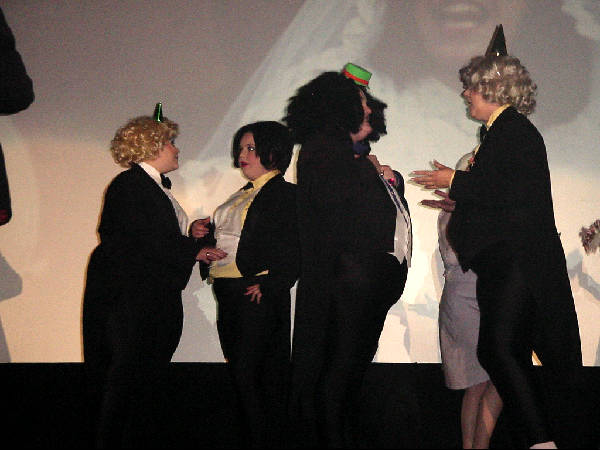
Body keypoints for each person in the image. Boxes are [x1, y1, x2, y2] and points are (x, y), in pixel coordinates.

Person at [411, 32, 582, 448]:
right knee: (502, 350)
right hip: (510, 264)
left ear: (492, 88)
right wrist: (461, 200)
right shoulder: (502, 133)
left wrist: (455, 180)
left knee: (500, 350)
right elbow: (505, 197)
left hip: (516, 265)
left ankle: (543, 440)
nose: (465, 94)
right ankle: (544, 439)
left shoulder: (512, 131)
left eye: (471, 87)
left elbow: (504, 190)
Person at [284, 68, 411, 447]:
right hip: (345, 287)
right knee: (338, 376)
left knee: (347, 375)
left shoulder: (345, 156)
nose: (368, 109)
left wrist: (385, 177)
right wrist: (369, 171)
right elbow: (344, 218)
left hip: (358, 287)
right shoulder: (325, 150)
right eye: (360, 103)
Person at [82, 106, 219, 447]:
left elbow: (153, 239)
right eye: (170, 142)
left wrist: (191, 237)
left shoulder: (147, 188)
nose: (176, 148)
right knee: (124, 385)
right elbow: (142, 241)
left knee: (134, 387)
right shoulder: (131, 185)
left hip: (143, 305)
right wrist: (193, 250)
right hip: (131, 307)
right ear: (153, 146)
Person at [191, 121, 298, 448]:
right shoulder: (242, 194)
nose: (243, 155)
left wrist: (272, 284)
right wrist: (202, 234)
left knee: (251, 377)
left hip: (253, 293)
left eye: (251, 148)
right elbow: (233, 236)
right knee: (244, 376)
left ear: (273, 152)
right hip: (228, 292)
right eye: (241, 148)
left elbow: (295, 245)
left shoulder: (284, 193)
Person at [421, 152, 502, 449]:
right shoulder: (454, 212)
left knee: (499, 377)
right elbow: (462, 256)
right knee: (476, 381)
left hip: (491, 295)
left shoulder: (477, 210)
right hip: (466, 297)